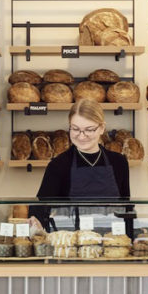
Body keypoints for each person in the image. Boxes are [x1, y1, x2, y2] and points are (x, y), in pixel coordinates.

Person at [29, 99, 131, 231]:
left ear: (101, 128)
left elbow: (127, 209)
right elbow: (40, 211)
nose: (81, 136)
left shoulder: (119, 162)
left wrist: (131, 238)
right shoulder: (59, 165)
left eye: (89, 130)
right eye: (75, 129)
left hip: (112, 244)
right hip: (70, 243)